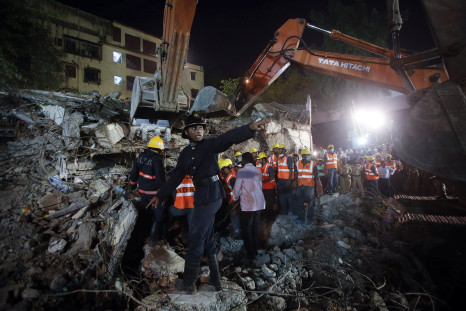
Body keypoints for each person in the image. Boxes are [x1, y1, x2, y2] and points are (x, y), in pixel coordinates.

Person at [147, 113, 268, 294]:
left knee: (196, 238)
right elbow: (177, 176)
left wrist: (249, 129)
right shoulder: (186, 153)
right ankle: (216, 281)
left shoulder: (210, 145)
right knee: (208, 238)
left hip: (212, 196)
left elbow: (228, 138)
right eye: (195, 128)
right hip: (203, 197)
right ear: (187, 131)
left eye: (201, 128)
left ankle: (189, 283)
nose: (199, 131)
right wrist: (160, 195)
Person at [129, 136, 166, 244]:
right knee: (159, 216)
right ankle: (157, 239)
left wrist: (132, 186)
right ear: (159, 149)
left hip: (143, 192)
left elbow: (133, 174)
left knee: (146, 214)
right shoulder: (157, 160)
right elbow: (160, 180)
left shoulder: (140, 157)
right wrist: (163, 194)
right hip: (154, 195)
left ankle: (143, 235)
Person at [232, 152, 265, 262]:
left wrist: (235, 199)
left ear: (245, 160)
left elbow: (236, 189)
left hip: (248, 204)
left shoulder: (242, 171)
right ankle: (257, 248)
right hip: (259, 202)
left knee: (246, 229)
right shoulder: (257, 171)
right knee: (256, 226)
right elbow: (259, 186)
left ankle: (251, 253)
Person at [295, 149, 321, 224]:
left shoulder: (313, 164)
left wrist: (318, 184)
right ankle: (301, 219)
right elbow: (296, 175)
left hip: (309, 187)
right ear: (304, 156)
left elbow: (316, 175)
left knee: (311, 203)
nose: (309, 156)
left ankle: (309, 219)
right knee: (300, 203)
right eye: (308, 155)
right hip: (300, 186)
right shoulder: (297, 163)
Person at [220, 159, 241, 238]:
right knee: (231, 218)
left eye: (223, 169)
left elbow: (237, 192)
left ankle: (238, 235)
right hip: (230, 202)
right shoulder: (228, 177)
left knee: (235, 219)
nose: (222, 171)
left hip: (234, 203)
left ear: (226, 168)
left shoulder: (232, 178)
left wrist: (234, 206)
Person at [277, 144, 297, 215]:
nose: (278, 151)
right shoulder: (279, 159)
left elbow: (291, 169)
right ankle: (284, 211)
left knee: (290, 197)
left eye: (280, 149)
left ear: (284, 150)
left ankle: (293, 211)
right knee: (282, 197)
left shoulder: (288, 158)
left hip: (287, 181)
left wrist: (289, 180)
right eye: (278, 149)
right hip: (281, 181)